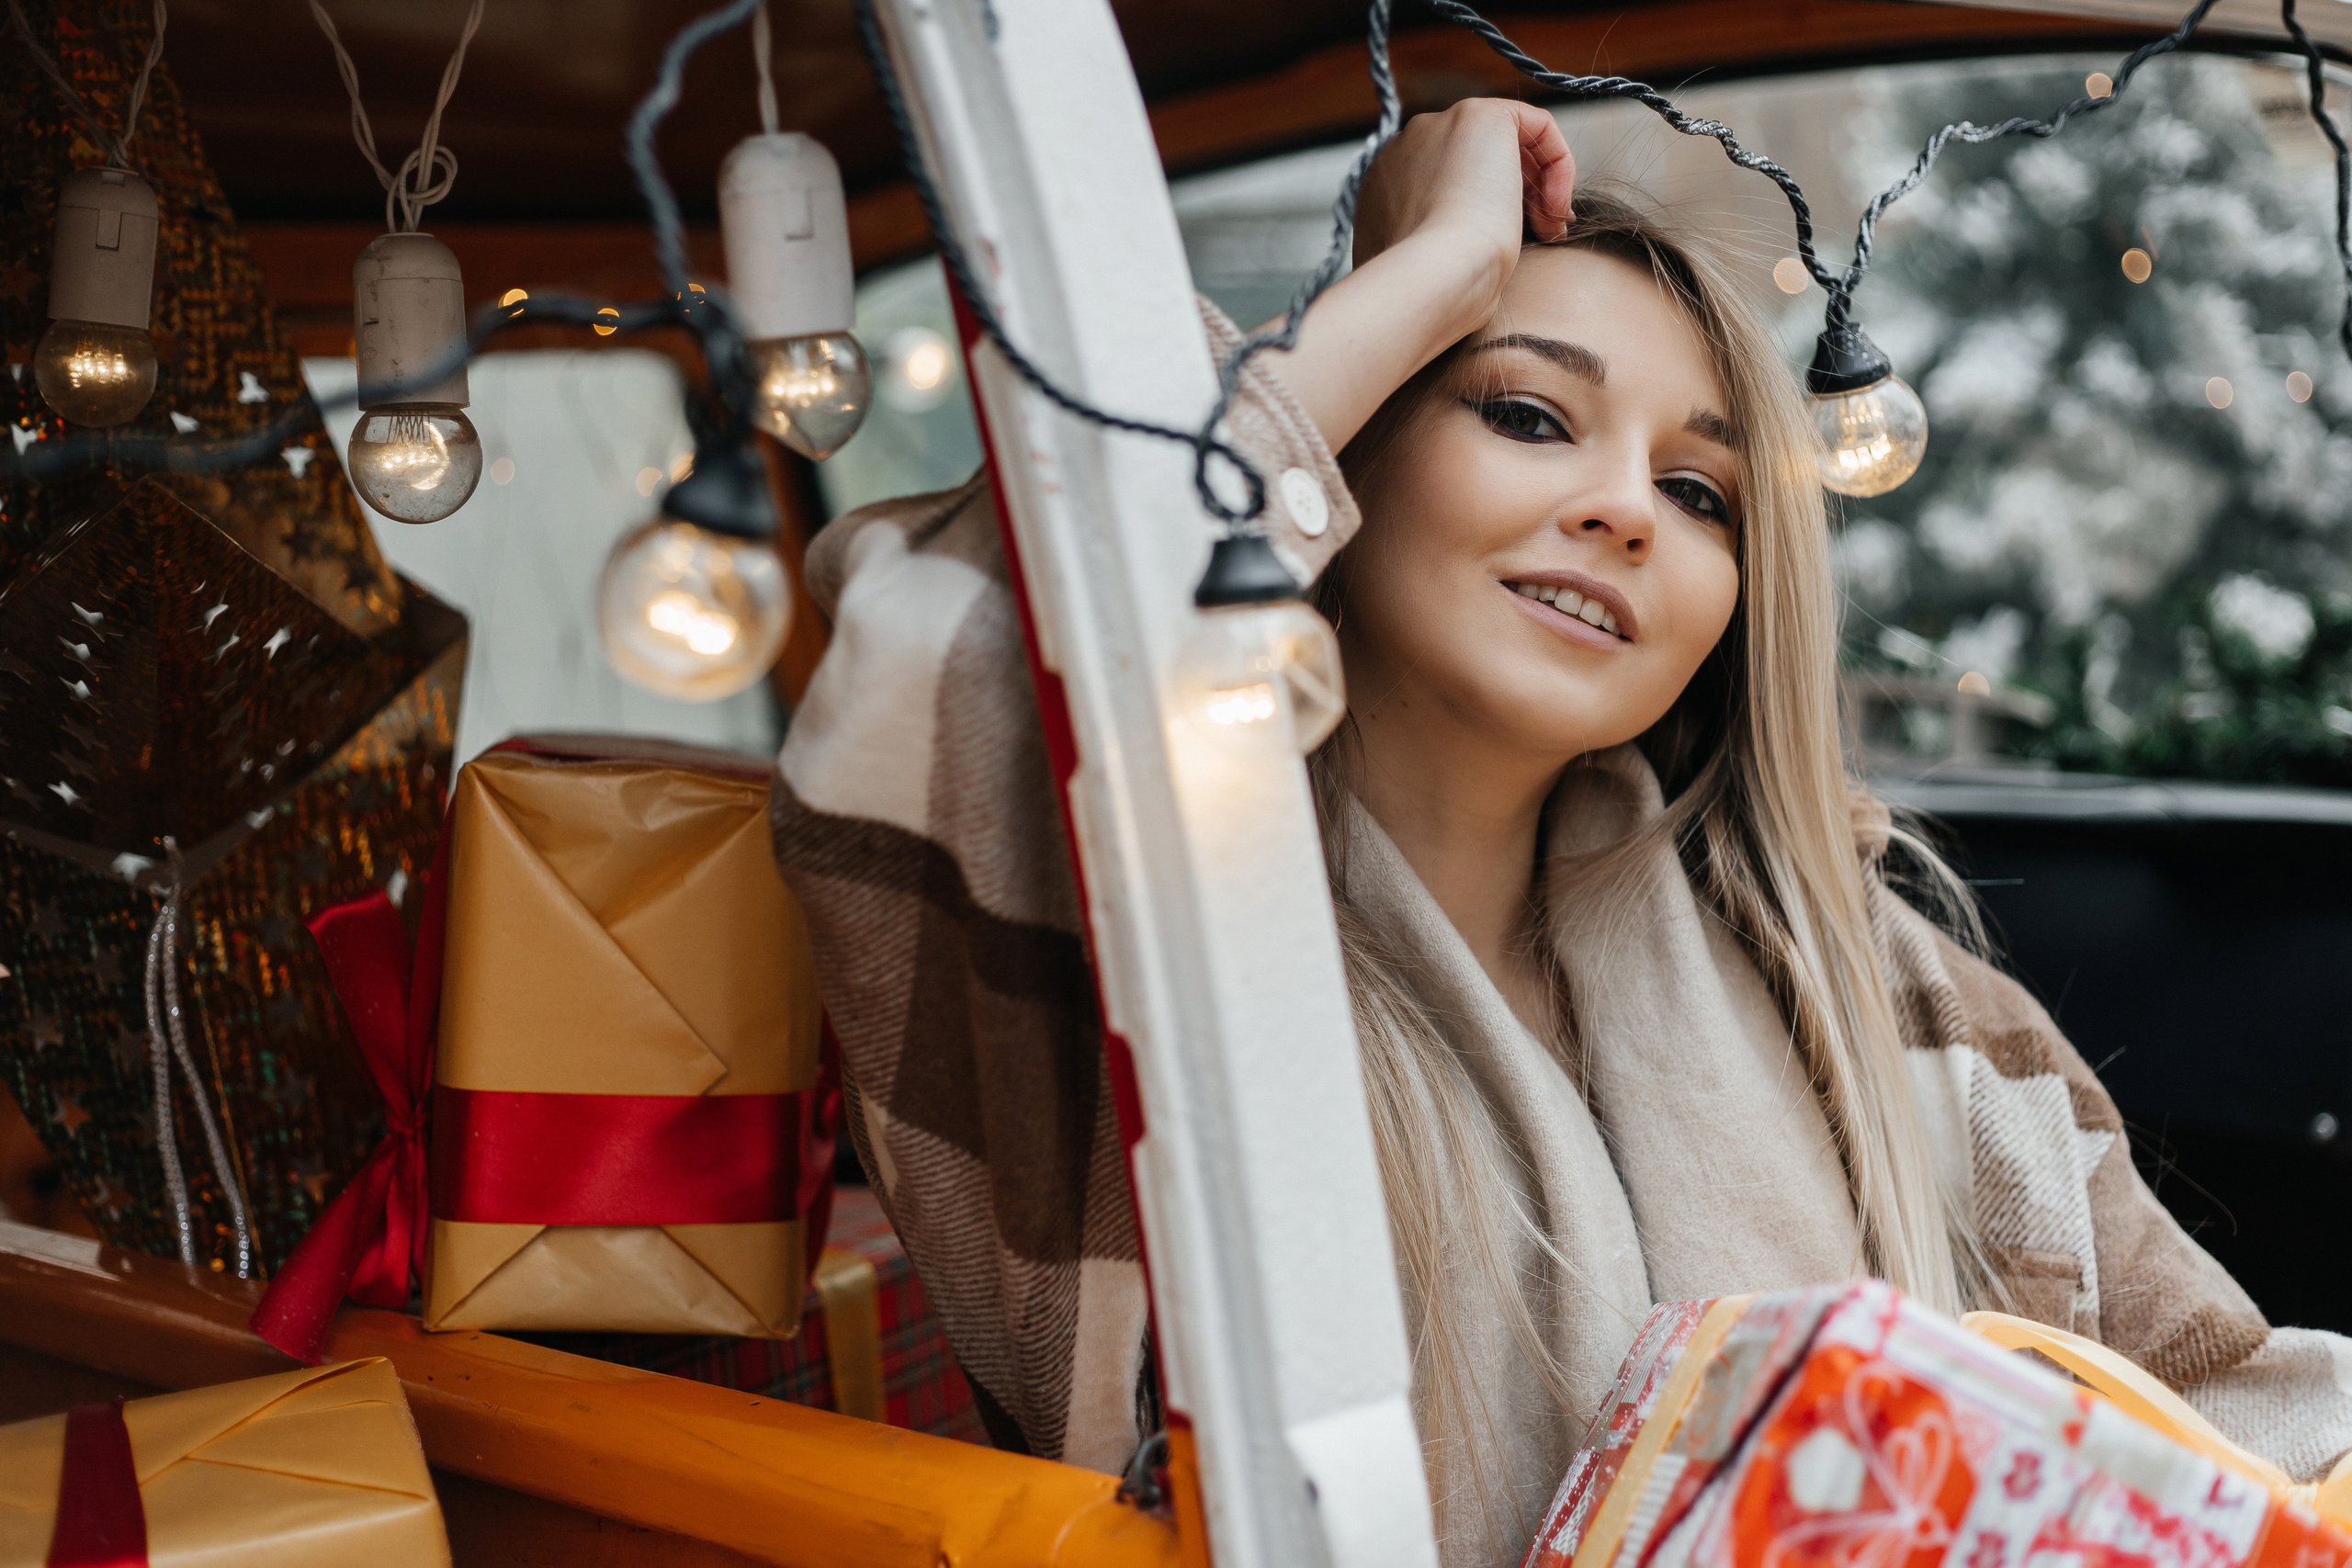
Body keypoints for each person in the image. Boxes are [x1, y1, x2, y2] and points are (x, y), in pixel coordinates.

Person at [771, 99, 2352, 1567]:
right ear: (1347, 460)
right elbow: (951, 656)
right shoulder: (1132, 955)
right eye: (1529, 414)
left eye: (1703, 490)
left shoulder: (1865, 983)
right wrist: (1429, 267)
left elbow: (2248, 1429)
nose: (1626, 510)